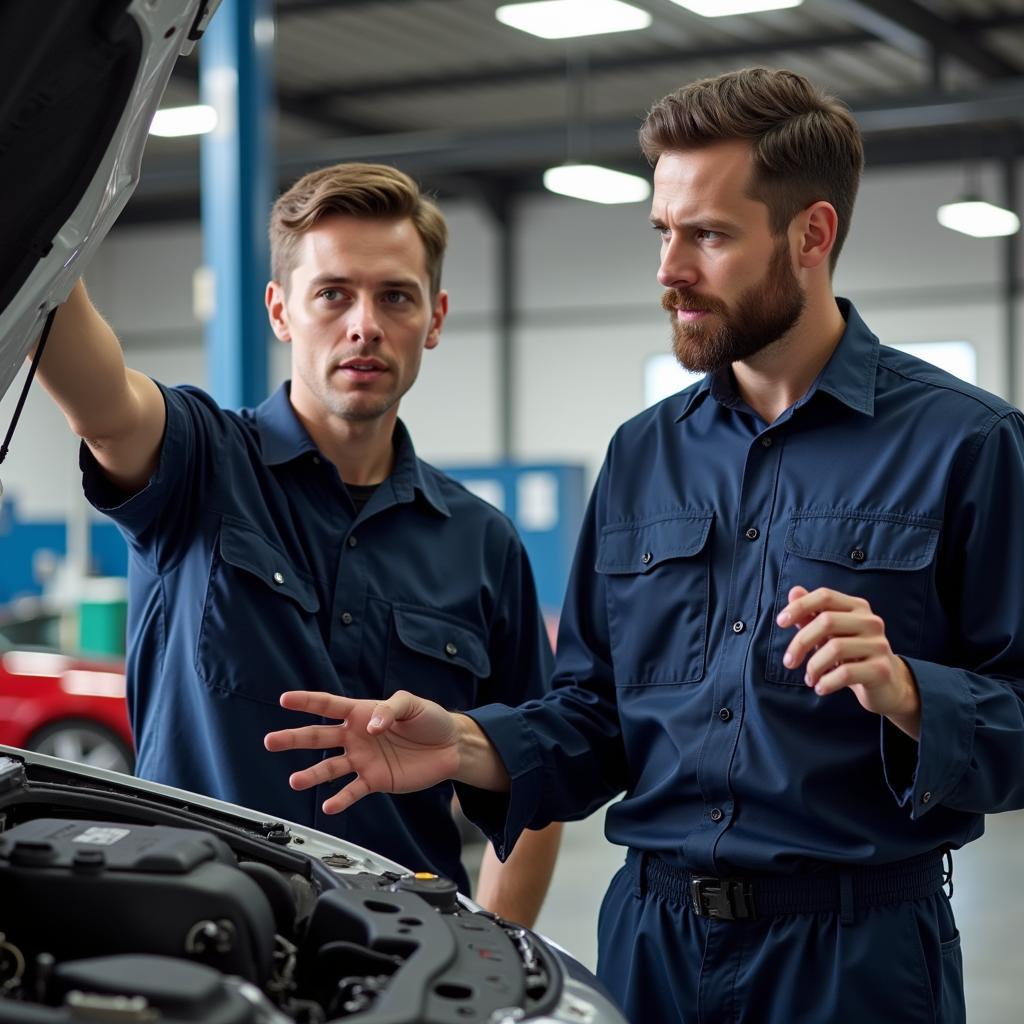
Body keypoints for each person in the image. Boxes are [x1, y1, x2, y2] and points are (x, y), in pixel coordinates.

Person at [264, 69, 1024, 1023]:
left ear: (812, 235)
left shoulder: (967, 444)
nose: (670, 269)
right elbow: (595, 717)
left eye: (707, 235)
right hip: (652, 948)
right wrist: (462, 745)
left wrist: (915, 694)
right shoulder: (642, 455)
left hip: (856, 960)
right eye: (663, 232)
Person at [36, 162, 562, 926]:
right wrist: (41, 202)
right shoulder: (200, 465)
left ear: (436, 319)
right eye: (333, 294)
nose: (364, 325)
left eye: (395, 297)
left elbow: (533, 776)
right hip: (192, 937)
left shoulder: (483, 542)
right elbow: (104, 402)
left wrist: (492, 953)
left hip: (402, 959)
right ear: (280, 311)